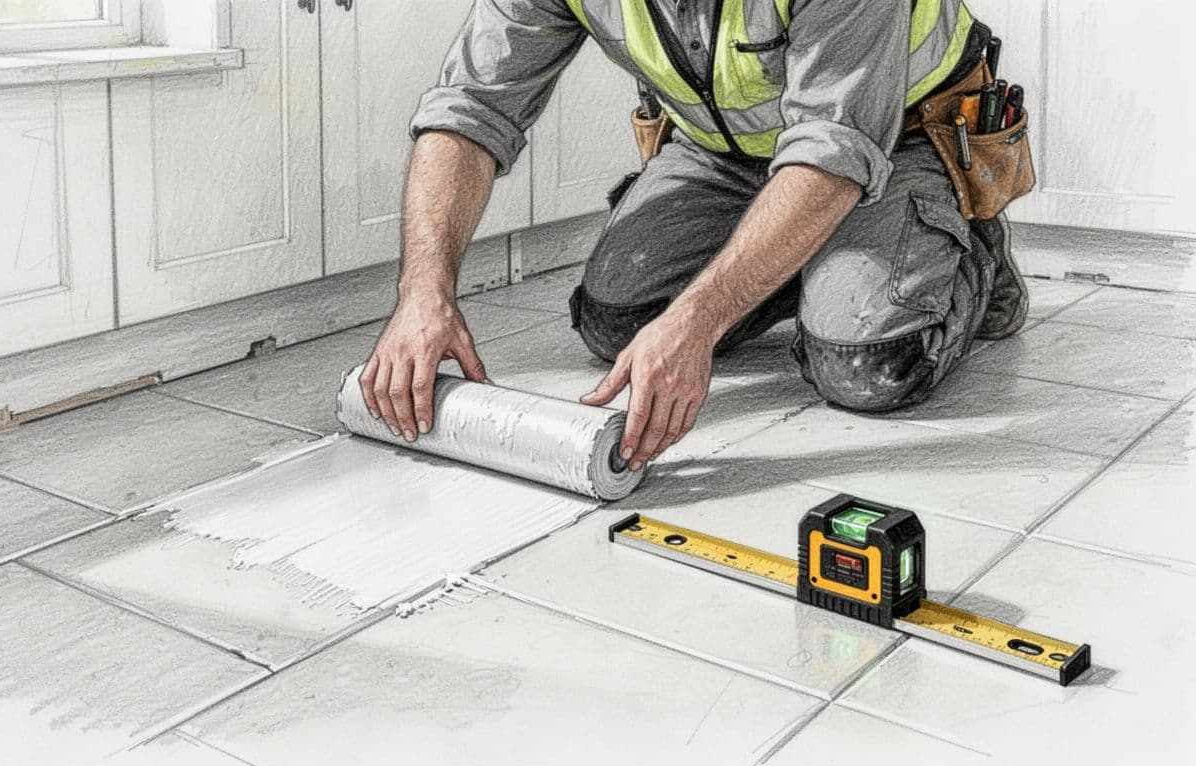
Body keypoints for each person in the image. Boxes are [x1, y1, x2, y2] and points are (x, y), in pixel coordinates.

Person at [358, 0, 1028, 472]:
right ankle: (807, 256)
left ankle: (977, 259)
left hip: (899, 136)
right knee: (616, 322)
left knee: (866, 364)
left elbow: (834, 149)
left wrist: (699, 321)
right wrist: (423, 290)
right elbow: (472, 108)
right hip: (726, 153)